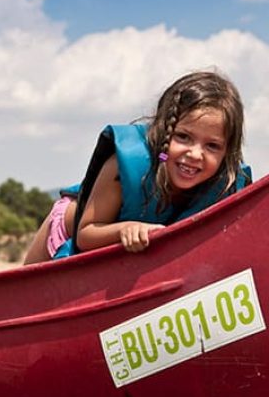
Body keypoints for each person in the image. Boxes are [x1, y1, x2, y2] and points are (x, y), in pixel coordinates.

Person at [24, 69, 251, 264]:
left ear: (227, 152)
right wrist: (126, 229)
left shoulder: (225, 185)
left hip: (123, 258)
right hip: (71, 229)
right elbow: (85, 234)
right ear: (163, 131)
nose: (194, 154)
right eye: (183, 137)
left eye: (212, 146)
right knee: (25, 300)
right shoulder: (124, 166)